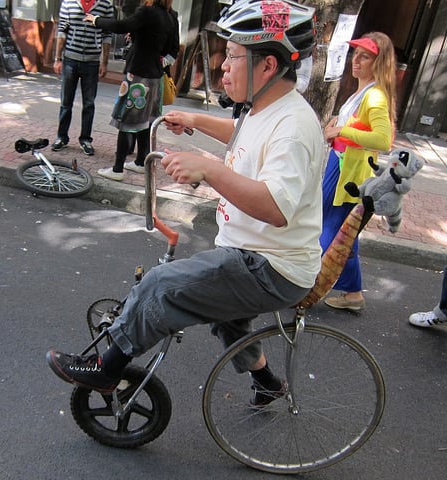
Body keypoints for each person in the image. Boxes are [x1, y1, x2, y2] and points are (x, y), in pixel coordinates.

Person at [47, 0, 323, 407]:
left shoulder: (294, 129)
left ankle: (108, 368)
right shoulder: (267, 107)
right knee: (228, 322)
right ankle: (266, 381)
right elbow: (240, 132)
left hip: (271, 267)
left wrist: (209, 170)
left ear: (268, 66)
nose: (223, 66)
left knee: (161, 284)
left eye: (232, 57)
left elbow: (275, 208)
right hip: (254, 253)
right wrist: (196, 121)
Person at [321, 32, 397, 312]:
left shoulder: (374, 94)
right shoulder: (365, 91)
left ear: (380, 62)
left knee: (328, 228)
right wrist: (337, 125)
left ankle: (305, 289)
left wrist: (341, 130)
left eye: (365, 56)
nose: (357, 60)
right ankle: (353, 294)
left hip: (348, 174)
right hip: (343, 167)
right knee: (343, 231)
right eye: (356, 54)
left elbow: (383, 139)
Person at [85, 0, 177, 181]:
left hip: (138, 76)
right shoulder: (170, 16)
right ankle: (141, 162)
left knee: (125, 120)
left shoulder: (148, 12)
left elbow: (120, 25)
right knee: (146, 123)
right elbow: (168, 48)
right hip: (155, 77)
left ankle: (117, 169)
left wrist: (96, 20)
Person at [51, 0, 114, 156]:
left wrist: (104, 63)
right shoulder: (68, 3)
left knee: (89, 103)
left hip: (92, 62)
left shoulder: (105, 5)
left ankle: (85, 139)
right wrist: (58, 58)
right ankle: (61, 137)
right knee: (66, 102)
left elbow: (107, 35)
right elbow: (62, 31)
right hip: (70, 60)